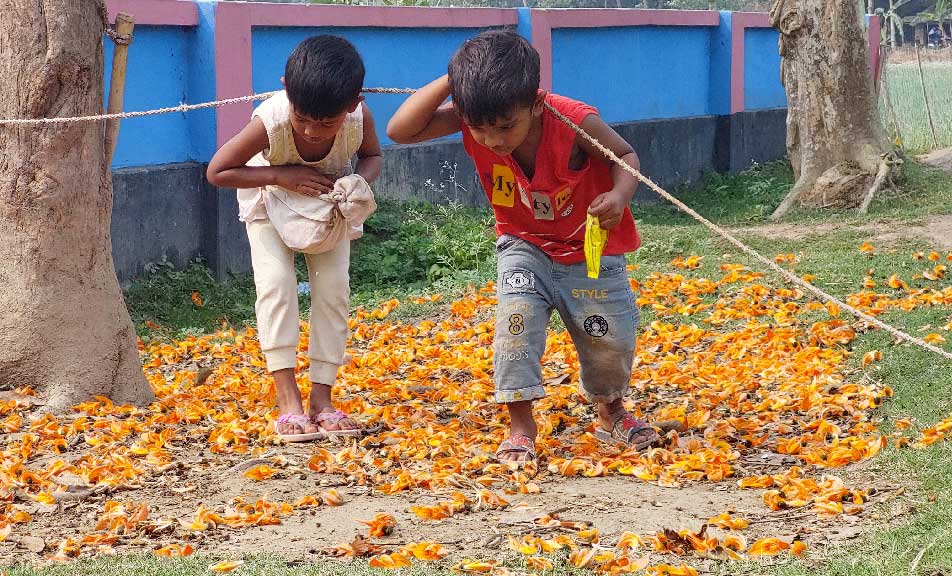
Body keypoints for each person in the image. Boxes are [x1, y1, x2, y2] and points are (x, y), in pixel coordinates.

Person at [386, 30, 659, 467]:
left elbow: (624, 156)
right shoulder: (472, 110)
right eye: (480, 129)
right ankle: (521, 427)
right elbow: (399, 130)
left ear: (534, 102)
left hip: (591, 247)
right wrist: (456, 80)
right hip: (523, 244)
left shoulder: (572, 120)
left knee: (610, 339)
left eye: (505, 127)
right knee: (515, 327)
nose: (493, 140)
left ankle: (611, 411)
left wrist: (620, 195)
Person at [207, 35, 382, 442]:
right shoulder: (271, 120)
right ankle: (288, 400)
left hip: (327, 211)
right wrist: (280, 175)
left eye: (326, 123)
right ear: (287, 89)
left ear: (353, 103)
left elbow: (372, 156)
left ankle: (322, 397)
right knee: (276, 287)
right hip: (267, 203)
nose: (312, 130)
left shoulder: (359, 118)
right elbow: (218, 171)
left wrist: (358, 181)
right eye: (303, 118)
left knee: (334, 291)